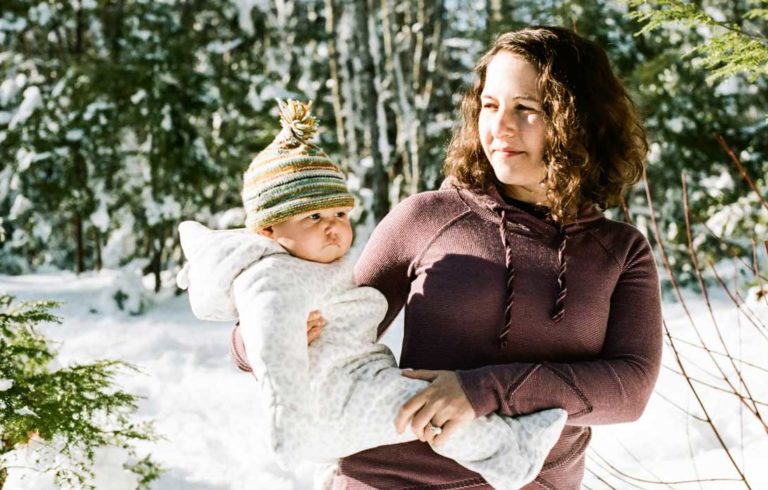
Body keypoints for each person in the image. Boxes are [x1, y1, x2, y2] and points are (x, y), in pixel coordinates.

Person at [331, 26, 663, 489]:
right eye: (490, 105)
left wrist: (482, 390)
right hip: (394, 476)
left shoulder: (619, 252)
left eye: (526, 109)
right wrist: (266, 323)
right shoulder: (428, 217)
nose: (500, 126)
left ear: (579, 120)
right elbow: (331, 332)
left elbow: (629, 390)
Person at [176, 99, 567, 490]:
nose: (333, 228)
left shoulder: (310, 264)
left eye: (340, 215)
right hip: (331, 401)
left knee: (426, 406)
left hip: (350, 391)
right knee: (426, 410)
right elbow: (274, 355)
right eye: (313, 217)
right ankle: (509, 452)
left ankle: (505, 451)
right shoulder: (273, 277)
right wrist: (286, 421)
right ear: (268, 230)